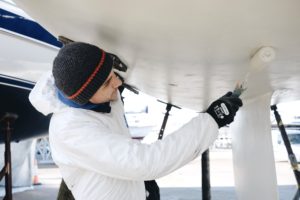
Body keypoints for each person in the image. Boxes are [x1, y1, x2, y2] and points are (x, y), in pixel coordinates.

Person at [29, 42, 242, 200]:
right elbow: (145, 162)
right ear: (85, 97)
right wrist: (211, 120)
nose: (118, 82)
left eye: (112, 72)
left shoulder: (97, 101)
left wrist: (140, 185)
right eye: (106, 83)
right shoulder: (71, 130)